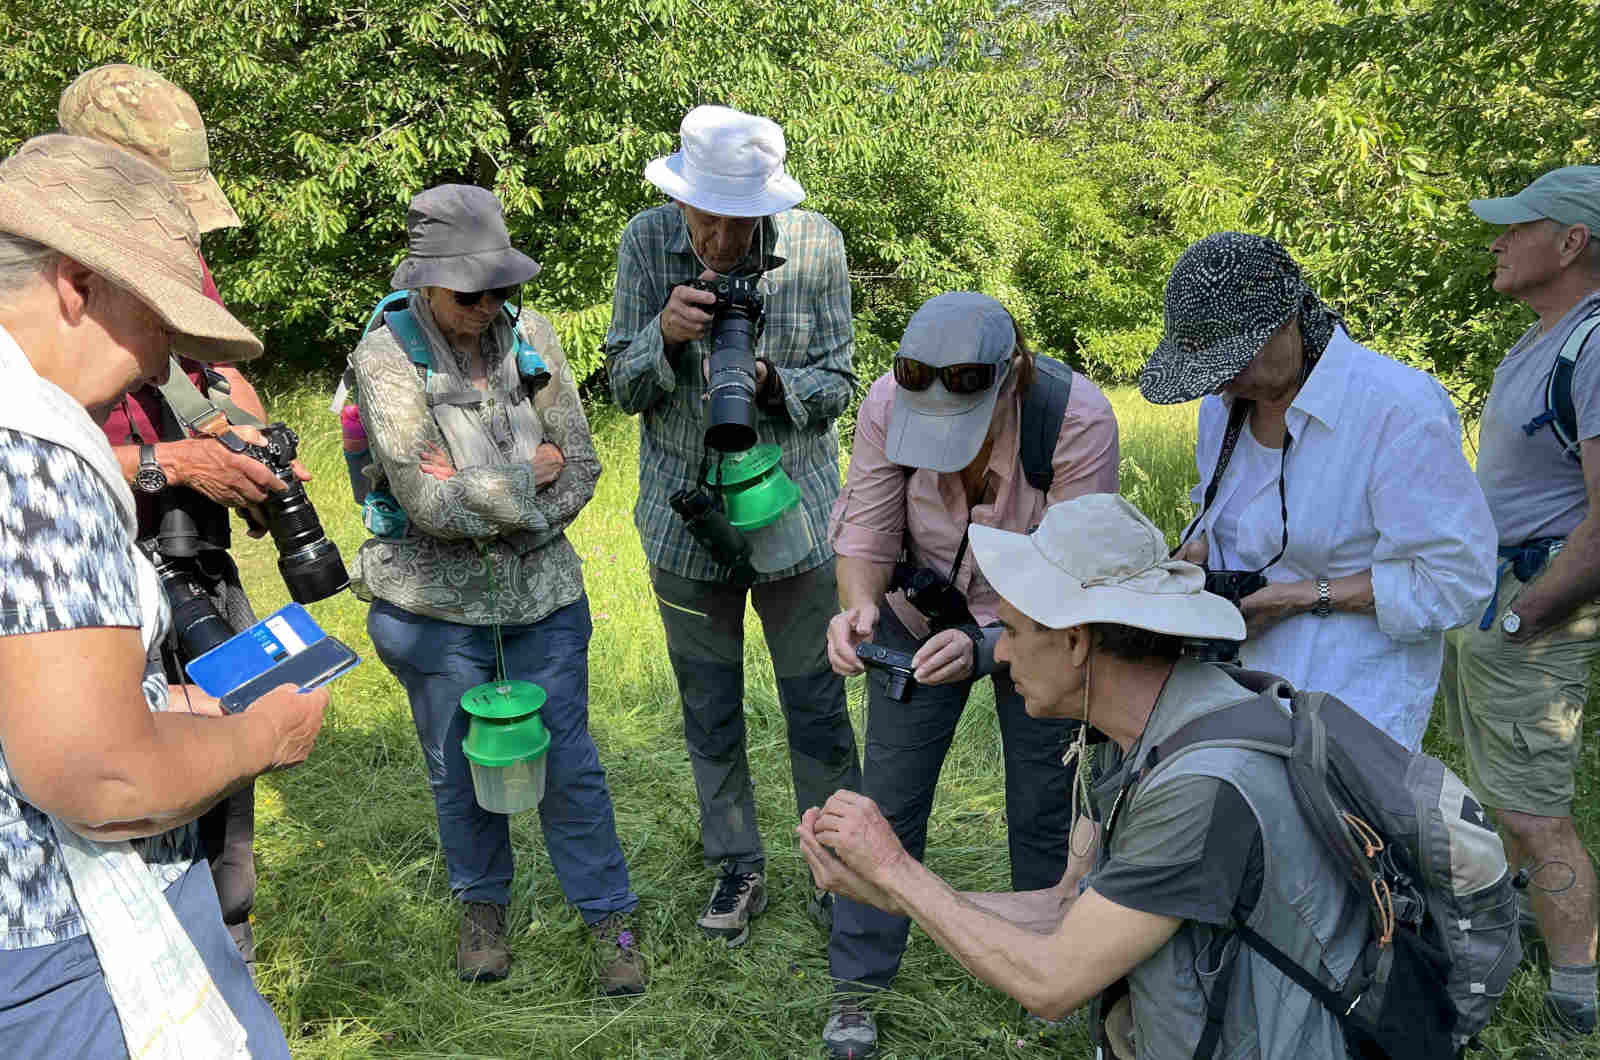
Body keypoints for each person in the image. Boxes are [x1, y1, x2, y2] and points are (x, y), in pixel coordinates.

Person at [799, 493, 1368, 1058]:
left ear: (1075, 641)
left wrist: (898, 871)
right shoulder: (1140, 727)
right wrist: (888, 892)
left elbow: (1054, 983)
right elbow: (1066, 909)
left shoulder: (1201, 782)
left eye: (1014, 633)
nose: (1003, 657)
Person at [0, 134, 327, 1058]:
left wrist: (175, 701)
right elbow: (103, 780)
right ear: (75, 283)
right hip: (63, 953)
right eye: (159, 322)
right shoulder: (37, 454)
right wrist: (264, 732)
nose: (161, 363)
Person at [349, 183, 645, 994]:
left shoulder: (532, 336)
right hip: (433, 611)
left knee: (571, 764)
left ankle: (610, 919)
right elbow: (423, 503)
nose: (489, 306)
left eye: (501, 288)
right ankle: (483, 912)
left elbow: (580, 462)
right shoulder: (383, 360)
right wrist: (525, 476)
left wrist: (500, 499)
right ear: (423, 282)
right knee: (459, 767)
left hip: (544, 596)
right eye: (469, 292)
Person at [819, 291, 1119, 1057]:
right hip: (916, 618)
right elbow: (867, 528)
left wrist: (987, 647)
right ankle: (857, 989)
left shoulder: (1076, 419)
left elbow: (1078, 573)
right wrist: (855, 609)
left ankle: (1051, 975)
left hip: (1046, 630)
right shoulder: (889, 401)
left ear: (1009, 377)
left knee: (1046, 800)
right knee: (886, 798)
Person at [57, 61, 294, 974]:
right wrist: (169, 459)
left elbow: (216, 363)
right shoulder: (21, 278)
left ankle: (227, 954)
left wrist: (251, 435)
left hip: (192, 550)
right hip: (89, 570)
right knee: (130, 785)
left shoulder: (168, 250)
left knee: (227, 763)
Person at [605, 104, 861, 945]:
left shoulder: (817, 246)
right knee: (708, 703)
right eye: (700, 214)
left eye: (734, 220)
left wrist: (768, 380)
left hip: (793, 513)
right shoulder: (646, 241)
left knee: (817, 699)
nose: (713, 236)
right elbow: (621, 386)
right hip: (686, 517)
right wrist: (664, 338)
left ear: (767, 209)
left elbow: (839, 383)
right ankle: (737, 863)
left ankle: (838, 861)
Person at [1137, 231, 1496, 750]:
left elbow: (1457, 579)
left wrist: (1300, 597)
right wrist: (1191, 556)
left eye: (1231, 362)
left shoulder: (1395, 409)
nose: (1219, 383)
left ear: (1287, 322)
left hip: (1350, 712)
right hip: (1229, 696)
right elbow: (1226, 521)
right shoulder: (1224, 404)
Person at [1442, 165, 1600, 1040]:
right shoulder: (1545, 338)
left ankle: (1575, 1008)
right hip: (1499, 598)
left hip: (1533, 611)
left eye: (1516, 226)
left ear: (1572, 241)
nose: (1496, 241)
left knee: (1536, 813)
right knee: (1509, 801)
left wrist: (1525, 614)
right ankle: (1530, 951)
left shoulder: (1596, 342)